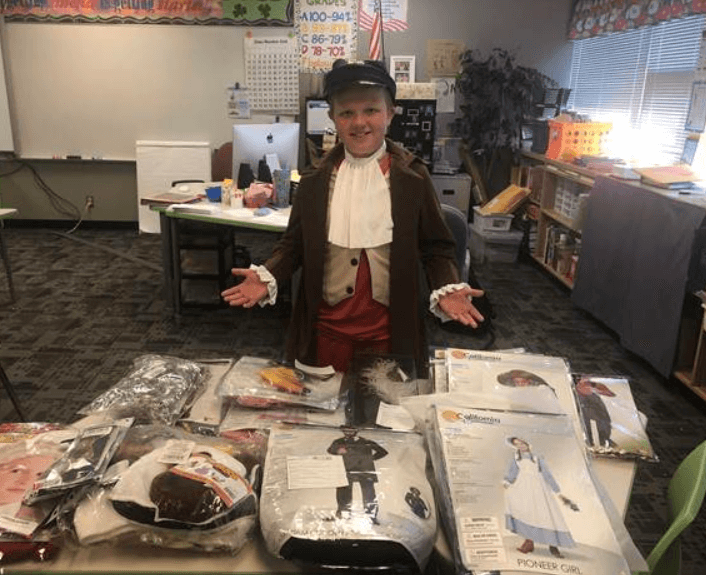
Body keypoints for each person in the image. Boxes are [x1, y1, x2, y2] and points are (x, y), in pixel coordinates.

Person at [222, 59, 484, 374]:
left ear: (390, 113)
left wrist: (448, 285)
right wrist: (270, 273)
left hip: (389, 332)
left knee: (384, 414)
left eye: (371, 110)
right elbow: (294, 244)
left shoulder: (413, 177)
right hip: (325, 330)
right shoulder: (315, 178)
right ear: (333, 118)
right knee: (322, 414)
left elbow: (437, 247)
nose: (359, 122)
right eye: (347, 113)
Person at [503, 437, 579, 559]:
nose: (520, 446)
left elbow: (547, 474)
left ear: (527, 443)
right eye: (517, 445)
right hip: (523, 489)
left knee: (545, 515)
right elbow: (512, 473)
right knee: (527, 514)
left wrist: (557, 490)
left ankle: (553, 546)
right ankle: (529, 542)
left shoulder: (536, 458)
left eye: (522, 443)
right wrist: (507, 482)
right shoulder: (516, 459)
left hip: (539, 490)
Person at [327, 426, 388, 523]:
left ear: (357, 430)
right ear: (342, 431)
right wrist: (337, 451)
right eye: (346, 430)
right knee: (343, 493)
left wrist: (369, 460)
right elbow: (330, 450)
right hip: (347, 471)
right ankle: (343, 515)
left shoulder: (366, 442)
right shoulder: (338, 442)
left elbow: (383, 452)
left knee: (369, 495)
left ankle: (371, 517)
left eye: (352, 429)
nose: (349, 432)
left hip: (364, 471)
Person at [574, 376, 616, 448]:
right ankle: (592, 443)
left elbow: (611, 394)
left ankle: (604, 441)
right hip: (582, 399)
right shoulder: (582, 389)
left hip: (587, 396)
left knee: (602, 419)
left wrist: (595, 389)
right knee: (586, 422)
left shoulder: (592, 388)